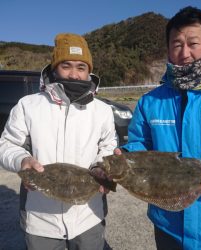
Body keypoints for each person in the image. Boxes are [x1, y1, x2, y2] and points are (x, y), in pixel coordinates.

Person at [115, 6, 201, 250]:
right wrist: (126, 156)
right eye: (177, 44)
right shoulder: (151, 101)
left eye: (193, 43)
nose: (185, 53)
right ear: (168, 48)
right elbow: (140, 145)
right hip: (168, 225)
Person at [0, 33, 117, 250]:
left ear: (88, 71)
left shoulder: (102, 110)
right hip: (40, 218)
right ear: (54, 68)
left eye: (81, 67)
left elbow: (108, 145)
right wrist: (22, 160)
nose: (74, 74)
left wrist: (103, 166)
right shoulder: (28, 105)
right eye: (66, 66)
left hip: (88, 215)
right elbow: (6, 144)